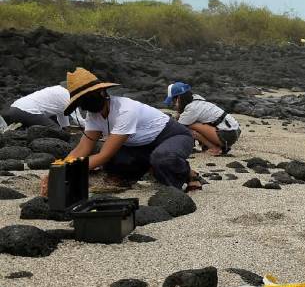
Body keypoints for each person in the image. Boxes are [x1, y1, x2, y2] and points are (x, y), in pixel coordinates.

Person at [42, 68, 201, 193]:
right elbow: (82, 149)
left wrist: (68, 171)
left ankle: (188, 173)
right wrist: (58, 169)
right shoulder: (93, 116)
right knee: (115, 162)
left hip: (173, 135)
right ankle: (151, 166)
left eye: (89, 97)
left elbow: (104, 155)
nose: (87, 103)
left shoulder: (125, 110)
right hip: (141, 144)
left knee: (162, 158)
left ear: (102, 92)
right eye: (82, 101)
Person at [163, 82, 241, 155]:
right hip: (233, 131)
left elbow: (178, 128)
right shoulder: (196, 98)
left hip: (228, 135)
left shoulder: (192, 109)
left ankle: (215, 148)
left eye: (173, 101)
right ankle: (211, 146)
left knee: (189, 126)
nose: (173, 104)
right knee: (190, 122)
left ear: (178, 99)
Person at [1, 85, 78, 129]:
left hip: (14, 109)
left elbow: (62, 114)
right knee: (55, 130)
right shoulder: (69, 97)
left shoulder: (59, 90)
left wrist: (66, 127)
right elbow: (78, 120)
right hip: (27, 111)